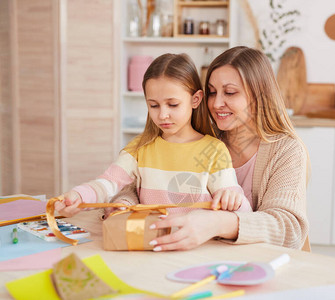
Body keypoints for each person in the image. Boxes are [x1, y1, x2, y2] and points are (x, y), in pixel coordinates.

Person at [148, 46, 310, 252]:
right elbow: (144, 176)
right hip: (200, 259)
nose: (216, 103)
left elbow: (288, 229)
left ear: (259, 95)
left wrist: (217, 223)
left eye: (230, 92)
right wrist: (124, 201)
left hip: (260, 266)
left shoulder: (286, 150)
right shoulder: (203, 141)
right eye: (212, 92)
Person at [55, 53, 252, 218]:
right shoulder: (139, 148)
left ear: (196, 99)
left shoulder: (214, 150)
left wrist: (235, 199)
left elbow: (234, 201)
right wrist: (79, 196)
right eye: (154, 105)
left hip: (196, 248)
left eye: (172, 104)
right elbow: (108, 183)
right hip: (149, 244)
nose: (162, 114)